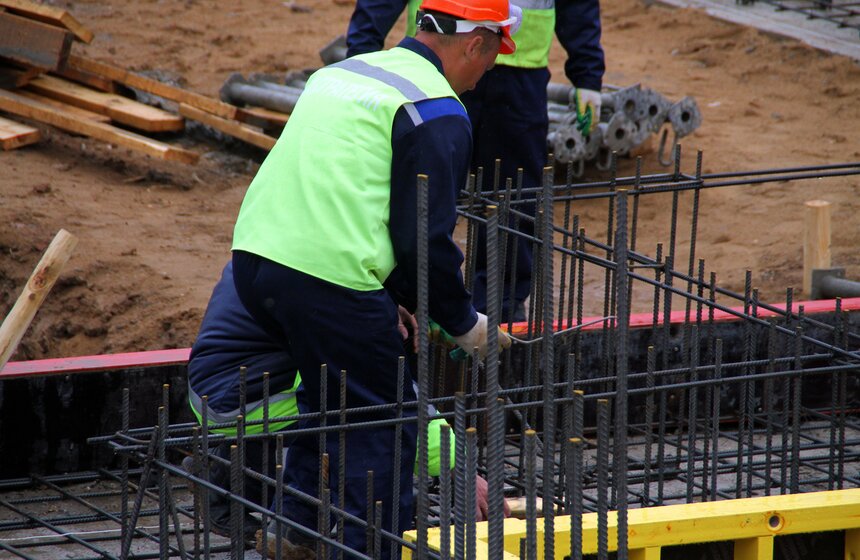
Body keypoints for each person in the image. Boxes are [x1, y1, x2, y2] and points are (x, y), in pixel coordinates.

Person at [229, 1, 514, 556]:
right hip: (329, 279)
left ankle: (294, 535)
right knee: (385, 426)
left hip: (256, 261)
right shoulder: (436, 109)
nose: (488, 72)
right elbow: (423, 239)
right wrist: (463, 323)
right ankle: (367, 551)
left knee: (327, 392)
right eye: (493, 56)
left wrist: (392, 296)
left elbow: (348, 191)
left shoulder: (343, 73)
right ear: (475, 43)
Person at [185, 263, 501, 549]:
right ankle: (249, 488)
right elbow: (388, 394)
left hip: (216, 389)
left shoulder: (307, 249)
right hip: (243, 396)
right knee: (357, 404)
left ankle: (234, 475)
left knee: (348, 388)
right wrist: (458, 467)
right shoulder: (338, 284)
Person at [347, 0, 605, 322]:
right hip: (444, 56)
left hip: (518, 74)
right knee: (425, 188)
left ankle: (500, 308)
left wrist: (587, 73)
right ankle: (412, 304)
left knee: (514, 193)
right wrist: (361, 51)